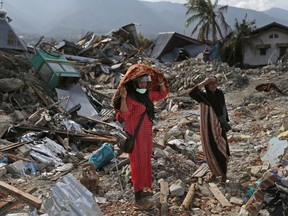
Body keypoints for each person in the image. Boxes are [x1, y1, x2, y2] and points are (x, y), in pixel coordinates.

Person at [114, 64, 169, 210]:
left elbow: (162, 94)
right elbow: (124, 115)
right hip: (135, 136)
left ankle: (143, 190)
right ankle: (137, 199)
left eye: (146, 82)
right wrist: (124, 98)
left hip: (146, 136)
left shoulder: (147, 94)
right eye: (141, 82)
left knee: (145, 162)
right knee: (137, 165)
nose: (144, 84)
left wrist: (162, 81)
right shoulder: (131, 97)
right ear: (135, 82)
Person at [188, 76, 230, 184]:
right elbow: (191, 93)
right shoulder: (203, 96)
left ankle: (224, 175)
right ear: (206, 85)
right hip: (207, 128)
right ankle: (214, 173)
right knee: (209, 150)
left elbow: (223, 109)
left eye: (215, 83)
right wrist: (203, 82)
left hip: (219, 126)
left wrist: (225, 122)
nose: (213, 86)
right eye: (210, 83)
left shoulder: (220, 94)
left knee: (221, 150)